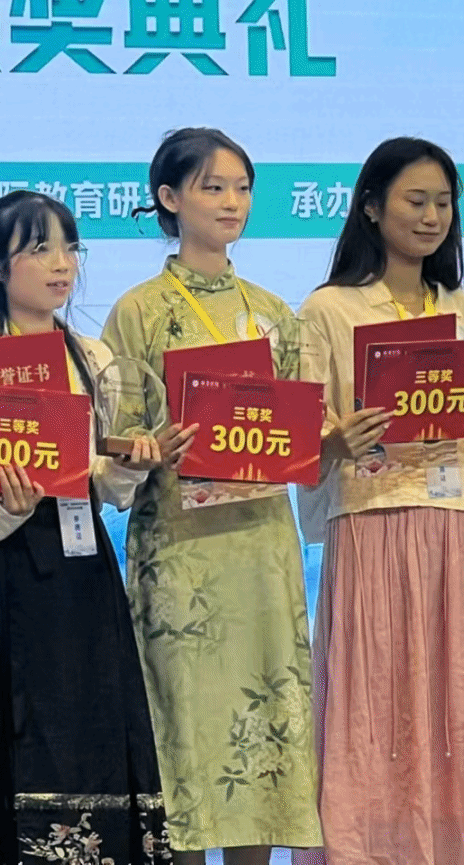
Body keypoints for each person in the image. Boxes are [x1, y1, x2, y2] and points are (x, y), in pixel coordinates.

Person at [0, 190, 181, 865]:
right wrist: (4, 506)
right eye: (40, 249)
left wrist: (134, 462)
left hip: (80, 570)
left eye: (69, 248)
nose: (62, 264)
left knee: (86, 726)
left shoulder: (92, 356)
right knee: (4, 731)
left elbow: (104, 481)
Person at [293, 136, 464, 865]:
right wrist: (337, 438)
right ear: (370, 207)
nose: (431, 217)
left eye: (443, 203)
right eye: (415, 201)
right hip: (373, 521)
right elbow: (301, 441)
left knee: (462, 705)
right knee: (375, 704)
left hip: (456, 526)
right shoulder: (329, 309)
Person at [102, 128, 322, 864]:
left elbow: (302, 429)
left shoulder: (275, 312)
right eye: (213, 187)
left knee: (262, 731)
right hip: (181, 553)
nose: (232, 202)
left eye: (242, 187)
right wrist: (147, 446)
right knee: (186, 734)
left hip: (260, 546)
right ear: (169, 198)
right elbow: (115, 433)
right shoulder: (137, 311)